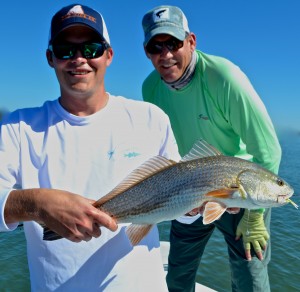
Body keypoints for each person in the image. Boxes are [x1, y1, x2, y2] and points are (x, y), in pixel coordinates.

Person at [0, 4, 181, 291]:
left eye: (92, 48)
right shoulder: (18, 128)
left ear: (109, 55)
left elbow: (183, 207)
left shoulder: (151, 118)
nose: (79, 59)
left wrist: (212, 200)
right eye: (65, 50)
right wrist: (36, 204)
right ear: (50, 58)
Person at [141, 5, 281, 292]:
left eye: (174, 43)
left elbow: (268, 150)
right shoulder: (150, 88)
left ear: (191, 41)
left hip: (239, 187)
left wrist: (254, 217)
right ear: (147, 52)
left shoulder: (225, 78)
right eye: (156, 46)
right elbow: (164, 150)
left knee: (250, 277)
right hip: (190, 187)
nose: (166, 55)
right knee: (178, 274)